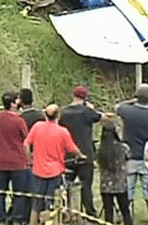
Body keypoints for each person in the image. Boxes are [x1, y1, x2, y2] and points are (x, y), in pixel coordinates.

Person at [24, 104, 86, 225]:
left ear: (45, 115)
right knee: (54, 204)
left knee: (36, 204)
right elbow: (72, 149)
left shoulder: (37, 127)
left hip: (38, 171)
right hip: (55, 172)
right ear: (58, 115)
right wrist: (81, 156)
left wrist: (29, 160)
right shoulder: (62, 132)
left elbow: (26, 144)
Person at [115, 83, 148, 220]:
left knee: (128, 189)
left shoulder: (127, 111)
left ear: (137, 96)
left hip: (129, 156)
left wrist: (132, 100)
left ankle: (126, 216)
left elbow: (117, 107)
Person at [59, 84, 104, 218]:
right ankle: (89, 213)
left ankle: (64, 211)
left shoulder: (63, 112)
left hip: (67, 154)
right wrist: (91, 108)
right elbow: (102, 118)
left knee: (65, 186)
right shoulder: (87, 111)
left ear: (73, 95)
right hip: (85, 154)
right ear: (85, 97)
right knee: (86, 187)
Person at [0, 91, 28, 225]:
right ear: (13, 103)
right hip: (17, 161)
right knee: (18, 193)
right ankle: (16, 217)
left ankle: (1, 217)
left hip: (1, 161)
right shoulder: (19, 120)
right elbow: (26, 138)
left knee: (0, 192)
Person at [97, 119, 132, 225]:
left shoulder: (100, 148)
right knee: (125, 211)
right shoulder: (123, 147)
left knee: (108, 213)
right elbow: (128, 160)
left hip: (106, 184)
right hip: (120, 183)